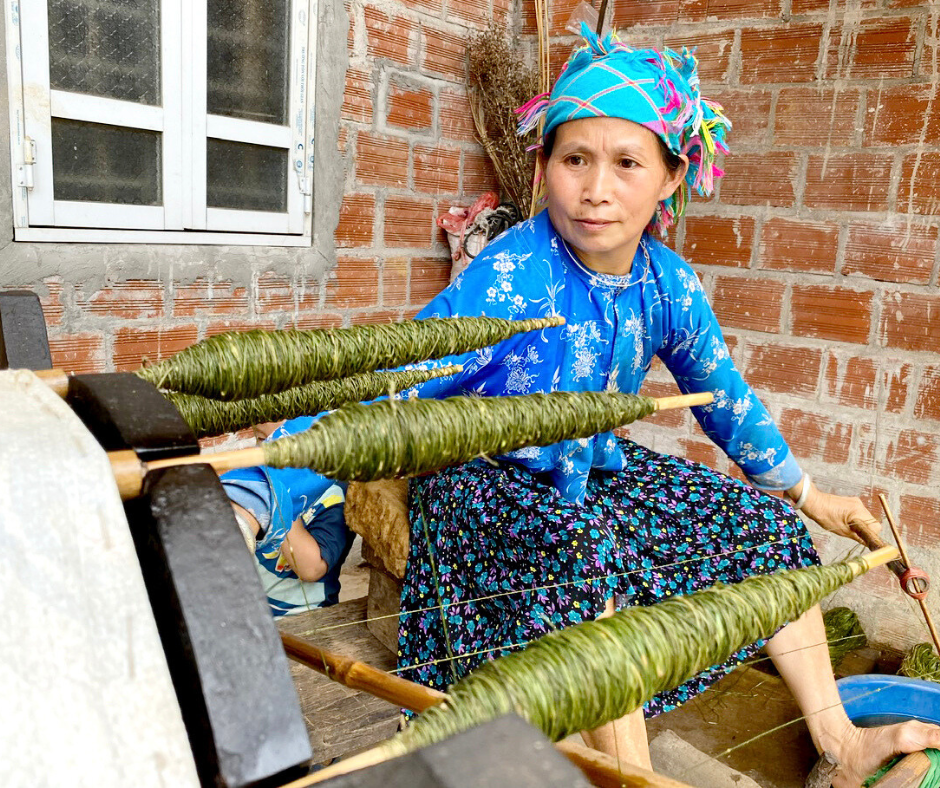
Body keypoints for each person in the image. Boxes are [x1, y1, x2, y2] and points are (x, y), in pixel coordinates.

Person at [394, 27, 940, 787]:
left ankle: (840, 742)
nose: (595, 189)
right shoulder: (512, 274)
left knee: (765, 530)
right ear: (544, 163)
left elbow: (725, 399)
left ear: (671, 177)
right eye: (574, 158)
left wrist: (812, 496)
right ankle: (633, 777)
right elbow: (390, 385)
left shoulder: (667, 284)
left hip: (589, 472)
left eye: (626, 164)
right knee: (584, 567)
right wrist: (270, 490)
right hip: (481, 482)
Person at [221, 415, 354, 617]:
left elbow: (312, 569)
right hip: (257, 609)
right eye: (260, 440)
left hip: (305, 614)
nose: (264, 450)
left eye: (275, 442)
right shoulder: (259, 484)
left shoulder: (333, 493)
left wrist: (282, 500)